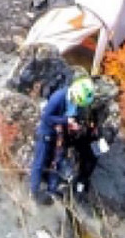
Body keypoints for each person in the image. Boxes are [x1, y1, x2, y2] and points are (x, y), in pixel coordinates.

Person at [30, 76, 95, 205]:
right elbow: (46, 117)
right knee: (40, 162)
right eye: (77, 101)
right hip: (46, 133)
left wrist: (73, 125)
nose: (77, 104)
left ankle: (52, 190)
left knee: (57, 162)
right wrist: (65, 121)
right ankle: (34, 192)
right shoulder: (58, 97)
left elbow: (71, 115)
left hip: (60, 135)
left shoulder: (74, 101)